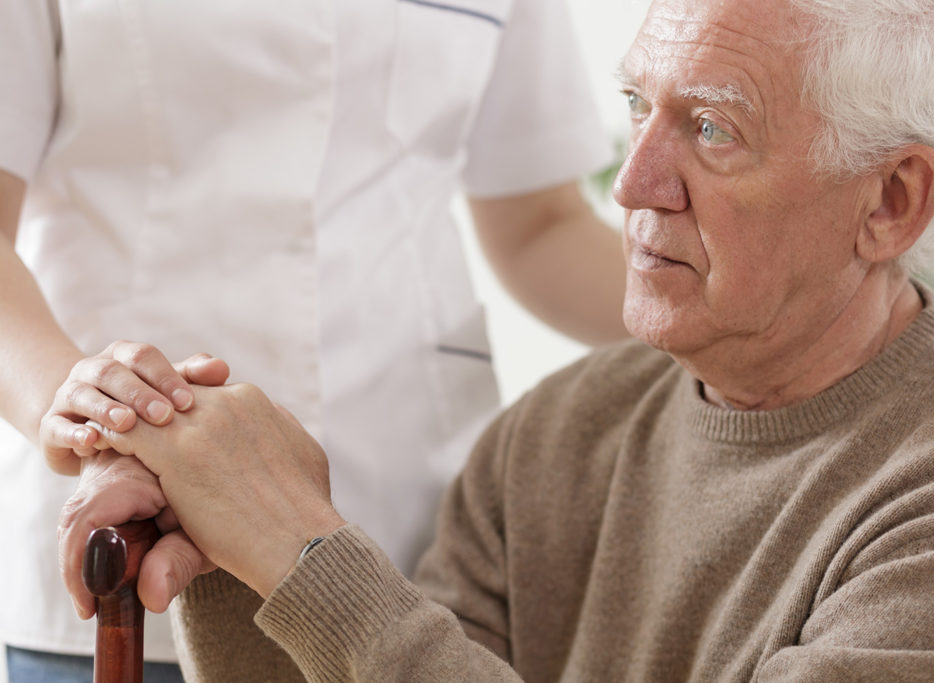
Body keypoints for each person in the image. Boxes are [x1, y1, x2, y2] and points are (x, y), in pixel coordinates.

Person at [55, 0, 934, 679]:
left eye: (714, 129)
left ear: (892, 202)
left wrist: (305, 549)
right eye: (640, 106)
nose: (632, 182)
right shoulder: (557, 433)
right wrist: (233, 531)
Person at [0, 1, 627, 680]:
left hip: (407, 530)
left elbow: (539, 224)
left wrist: (745, 304)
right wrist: (85, 413)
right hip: (127, 528)